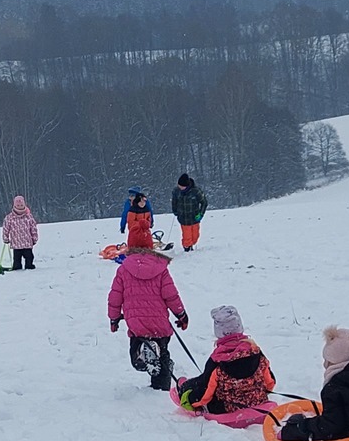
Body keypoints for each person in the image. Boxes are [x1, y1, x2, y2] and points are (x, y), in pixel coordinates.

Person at [107, 227, 188, 390]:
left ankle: (145, 356)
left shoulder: (123, 269)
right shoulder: (161, 268)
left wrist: (114, 318)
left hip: (137, 324)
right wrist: (181, 314)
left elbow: (115, 297)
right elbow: (171, 295)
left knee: (137, 356)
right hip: (159, 323)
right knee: (162, 354)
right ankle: (161, 383)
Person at [176, 305, 274, 414]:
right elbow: (270, 383)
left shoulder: (217, 360)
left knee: (199, 383)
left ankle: (184, 387)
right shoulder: (255, 352)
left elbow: (205, 393)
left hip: (226, 408)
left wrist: (189, 399)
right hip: (258, 402)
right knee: (203, 379)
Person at [172, 173, 208, 252]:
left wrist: (201, 214)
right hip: (183, 218)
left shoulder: (196, 191)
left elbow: (204, 202)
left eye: (182, 186)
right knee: (187, 237)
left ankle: (191, 244)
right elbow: (174, 202)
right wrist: (175, 211)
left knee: (195, 237)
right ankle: (187, 248)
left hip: (194, 217)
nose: (180, 187)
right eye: (179, 185)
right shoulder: (176, 191)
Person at [1, 195, 39, 270]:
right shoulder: (10, 217)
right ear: (14, 205)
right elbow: (6, 228)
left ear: (24, 205)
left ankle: (29, 266)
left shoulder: (28, 216)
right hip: (16, 243)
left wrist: (34, 238)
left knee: (29, 257)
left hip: (27, 242)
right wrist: (5, 238)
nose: (20, 207)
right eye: (18, 205)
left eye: (21, 205)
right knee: (17, 259)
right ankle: (17, 267)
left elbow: (33, 228)